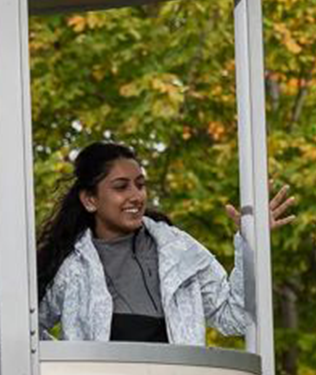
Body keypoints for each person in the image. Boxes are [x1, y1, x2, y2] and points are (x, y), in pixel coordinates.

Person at [35, 141, 295, 344]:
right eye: (121, 187)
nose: (136, 196)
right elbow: (31, 331)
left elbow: (235, 318)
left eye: (140, 185)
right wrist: (67, 371)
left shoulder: (180, 252)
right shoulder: (70, 267)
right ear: (90, 199)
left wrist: (250, 244)